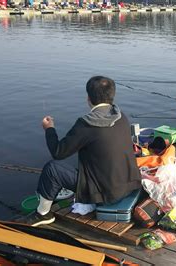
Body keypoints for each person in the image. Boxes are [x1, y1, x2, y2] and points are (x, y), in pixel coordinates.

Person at [22, 76, 142, 226]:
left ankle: (43, 214)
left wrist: (49, 129)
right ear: (112, 95)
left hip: (107, 193)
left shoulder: (87, 124)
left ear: (88, 98)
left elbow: (58, 152)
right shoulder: (121, 116)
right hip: (130, 185)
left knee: (52, 169)